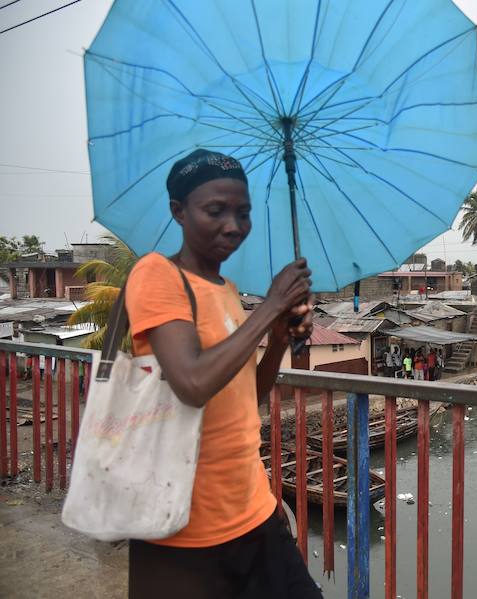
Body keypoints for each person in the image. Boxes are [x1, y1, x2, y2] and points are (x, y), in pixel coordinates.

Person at [124, 150, 322, 599]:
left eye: (243, 213)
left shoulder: (228, 291)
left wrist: (276, 338)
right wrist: (270, 305)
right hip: (184, 530)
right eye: (216, 211)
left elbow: (243, 395)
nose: (234, 226)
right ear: (178, 210)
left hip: (253, 511)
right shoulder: (156, 274)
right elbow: (192, 385)